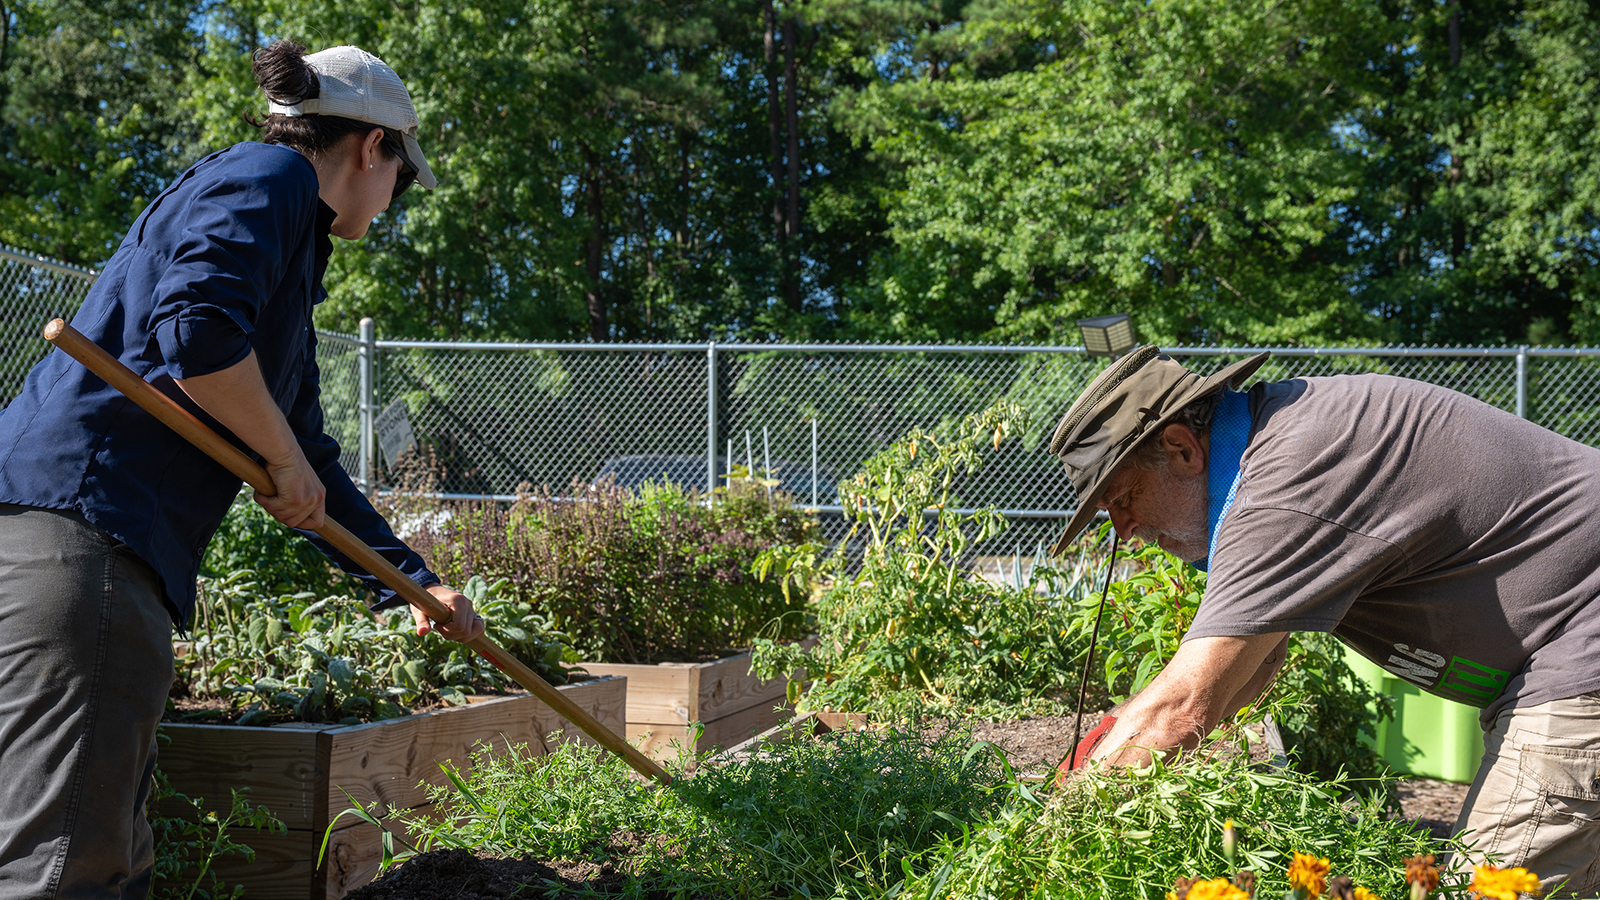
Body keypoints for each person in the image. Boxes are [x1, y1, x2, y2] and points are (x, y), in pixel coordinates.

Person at [0, 41, 486, 899]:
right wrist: (288, 460)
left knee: (86, 839)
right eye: (403, 178)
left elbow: (303, 454)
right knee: (68, 867)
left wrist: (412, 584)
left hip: (60, 542)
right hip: (84, 547)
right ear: (374, 147)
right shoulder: (270, 177)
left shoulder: (282, 245)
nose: (395, 200)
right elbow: (196, 337)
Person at [1047, 345, 1600, 896]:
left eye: (1122, 498)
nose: (1123, 528)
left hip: (1581, 643)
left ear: (1181, 449)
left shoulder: (1287, 483)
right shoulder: (1283, 443)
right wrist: (1115, 740)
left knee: (1487, 887)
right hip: (1566, 646)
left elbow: (1184, 706)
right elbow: (1252, 664)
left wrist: (1051, 836)